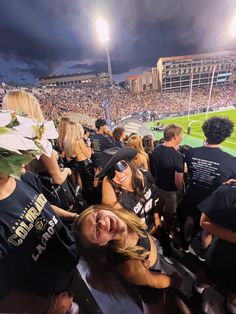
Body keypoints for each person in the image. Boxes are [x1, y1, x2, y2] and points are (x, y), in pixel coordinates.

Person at [73, 205, 182, 314]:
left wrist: (151, 241)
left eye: (96, 217)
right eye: (96, 232)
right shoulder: (128, 266)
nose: (101, 223)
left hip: (155, 261)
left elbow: (142, 232)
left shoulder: (123, 215)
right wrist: (172, 280)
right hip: (152, 285)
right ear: (101, 244)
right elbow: (154, 281)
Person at [183, 116, 236, 258]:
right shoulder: (231, 161)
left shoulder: (190, 152)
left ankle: (185, 245)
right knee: (208, 230)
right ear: (225, 136)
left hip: (193, 193)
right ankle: (202, 256)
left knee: (190, 218)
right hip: (212, 200)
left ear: (205, 132)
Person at [2, 90, 72, 185]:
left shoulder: (5, 140)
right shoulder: (37, 140)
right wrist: (67, 170)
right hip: (34, 193)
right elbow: (58, 178)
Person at [99, 147, 161, 234]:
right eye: (111, 173)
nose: (119, 175)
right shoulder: (118, 199)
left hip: (154, 225)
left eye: (120, 166)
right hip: (141, 238)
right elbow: (110, 209)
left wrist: (157, 218)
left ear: (129, 163)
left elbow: (155, 199)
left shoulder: (146, 175)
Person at [198, 180, 236, 314]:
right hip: (221, 254)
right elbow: (204, 221)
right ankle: (197, 292)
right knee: (207, 278)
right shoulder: (227, 193)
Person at [151, 124, 184, 233]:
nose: (181, 137)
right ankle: (166, 231)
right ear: (175, 137)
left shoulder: (156, 149)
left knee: (158, 206)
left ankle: (156, 223)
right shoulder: (177, 155)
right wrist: (180, 191)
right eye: (180, 135)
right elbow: (178, 182)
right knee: (169, 214)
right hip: (170, 191)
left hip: (157, 186)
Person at [63, 121, 95, 205]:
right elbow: (88, 155)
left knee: (82, 183)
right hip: (85, 164)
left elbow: (69, 157)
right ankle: (92, 201)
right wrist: (88, 145)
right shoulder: (79, 141)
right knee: (89, 185)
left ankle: (85, 200)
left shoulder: (67, 142)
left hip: (77, 164)